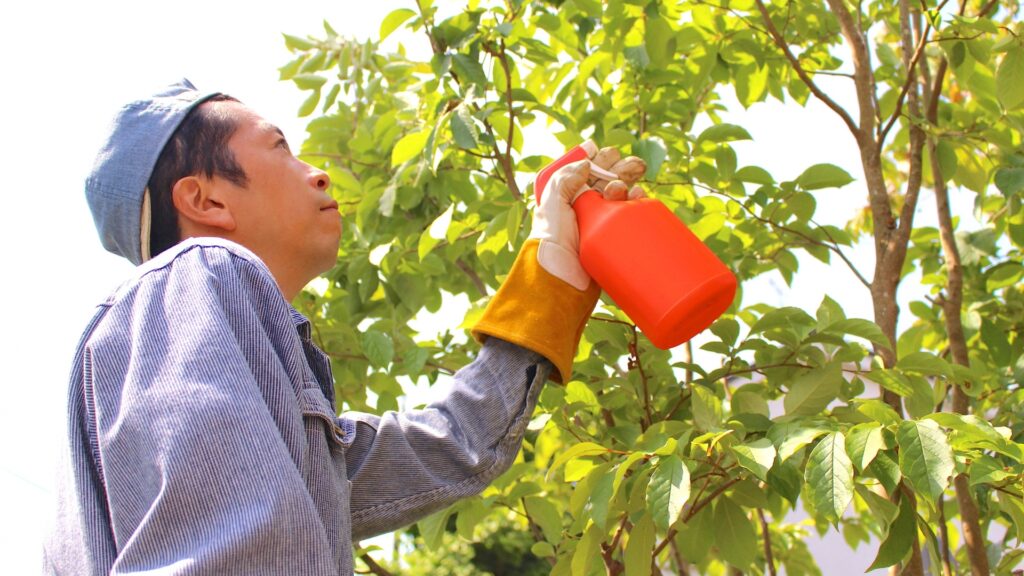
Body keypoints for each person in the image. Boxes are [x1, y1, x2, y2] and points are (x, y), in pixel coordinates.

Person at [45, 79, 645, 575]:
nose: (319, 174)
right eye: (280, 148)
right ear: (206, 203)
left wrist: (552, 265)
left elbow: (449, 448)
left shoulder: (229, 379)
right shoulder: (201, 271)